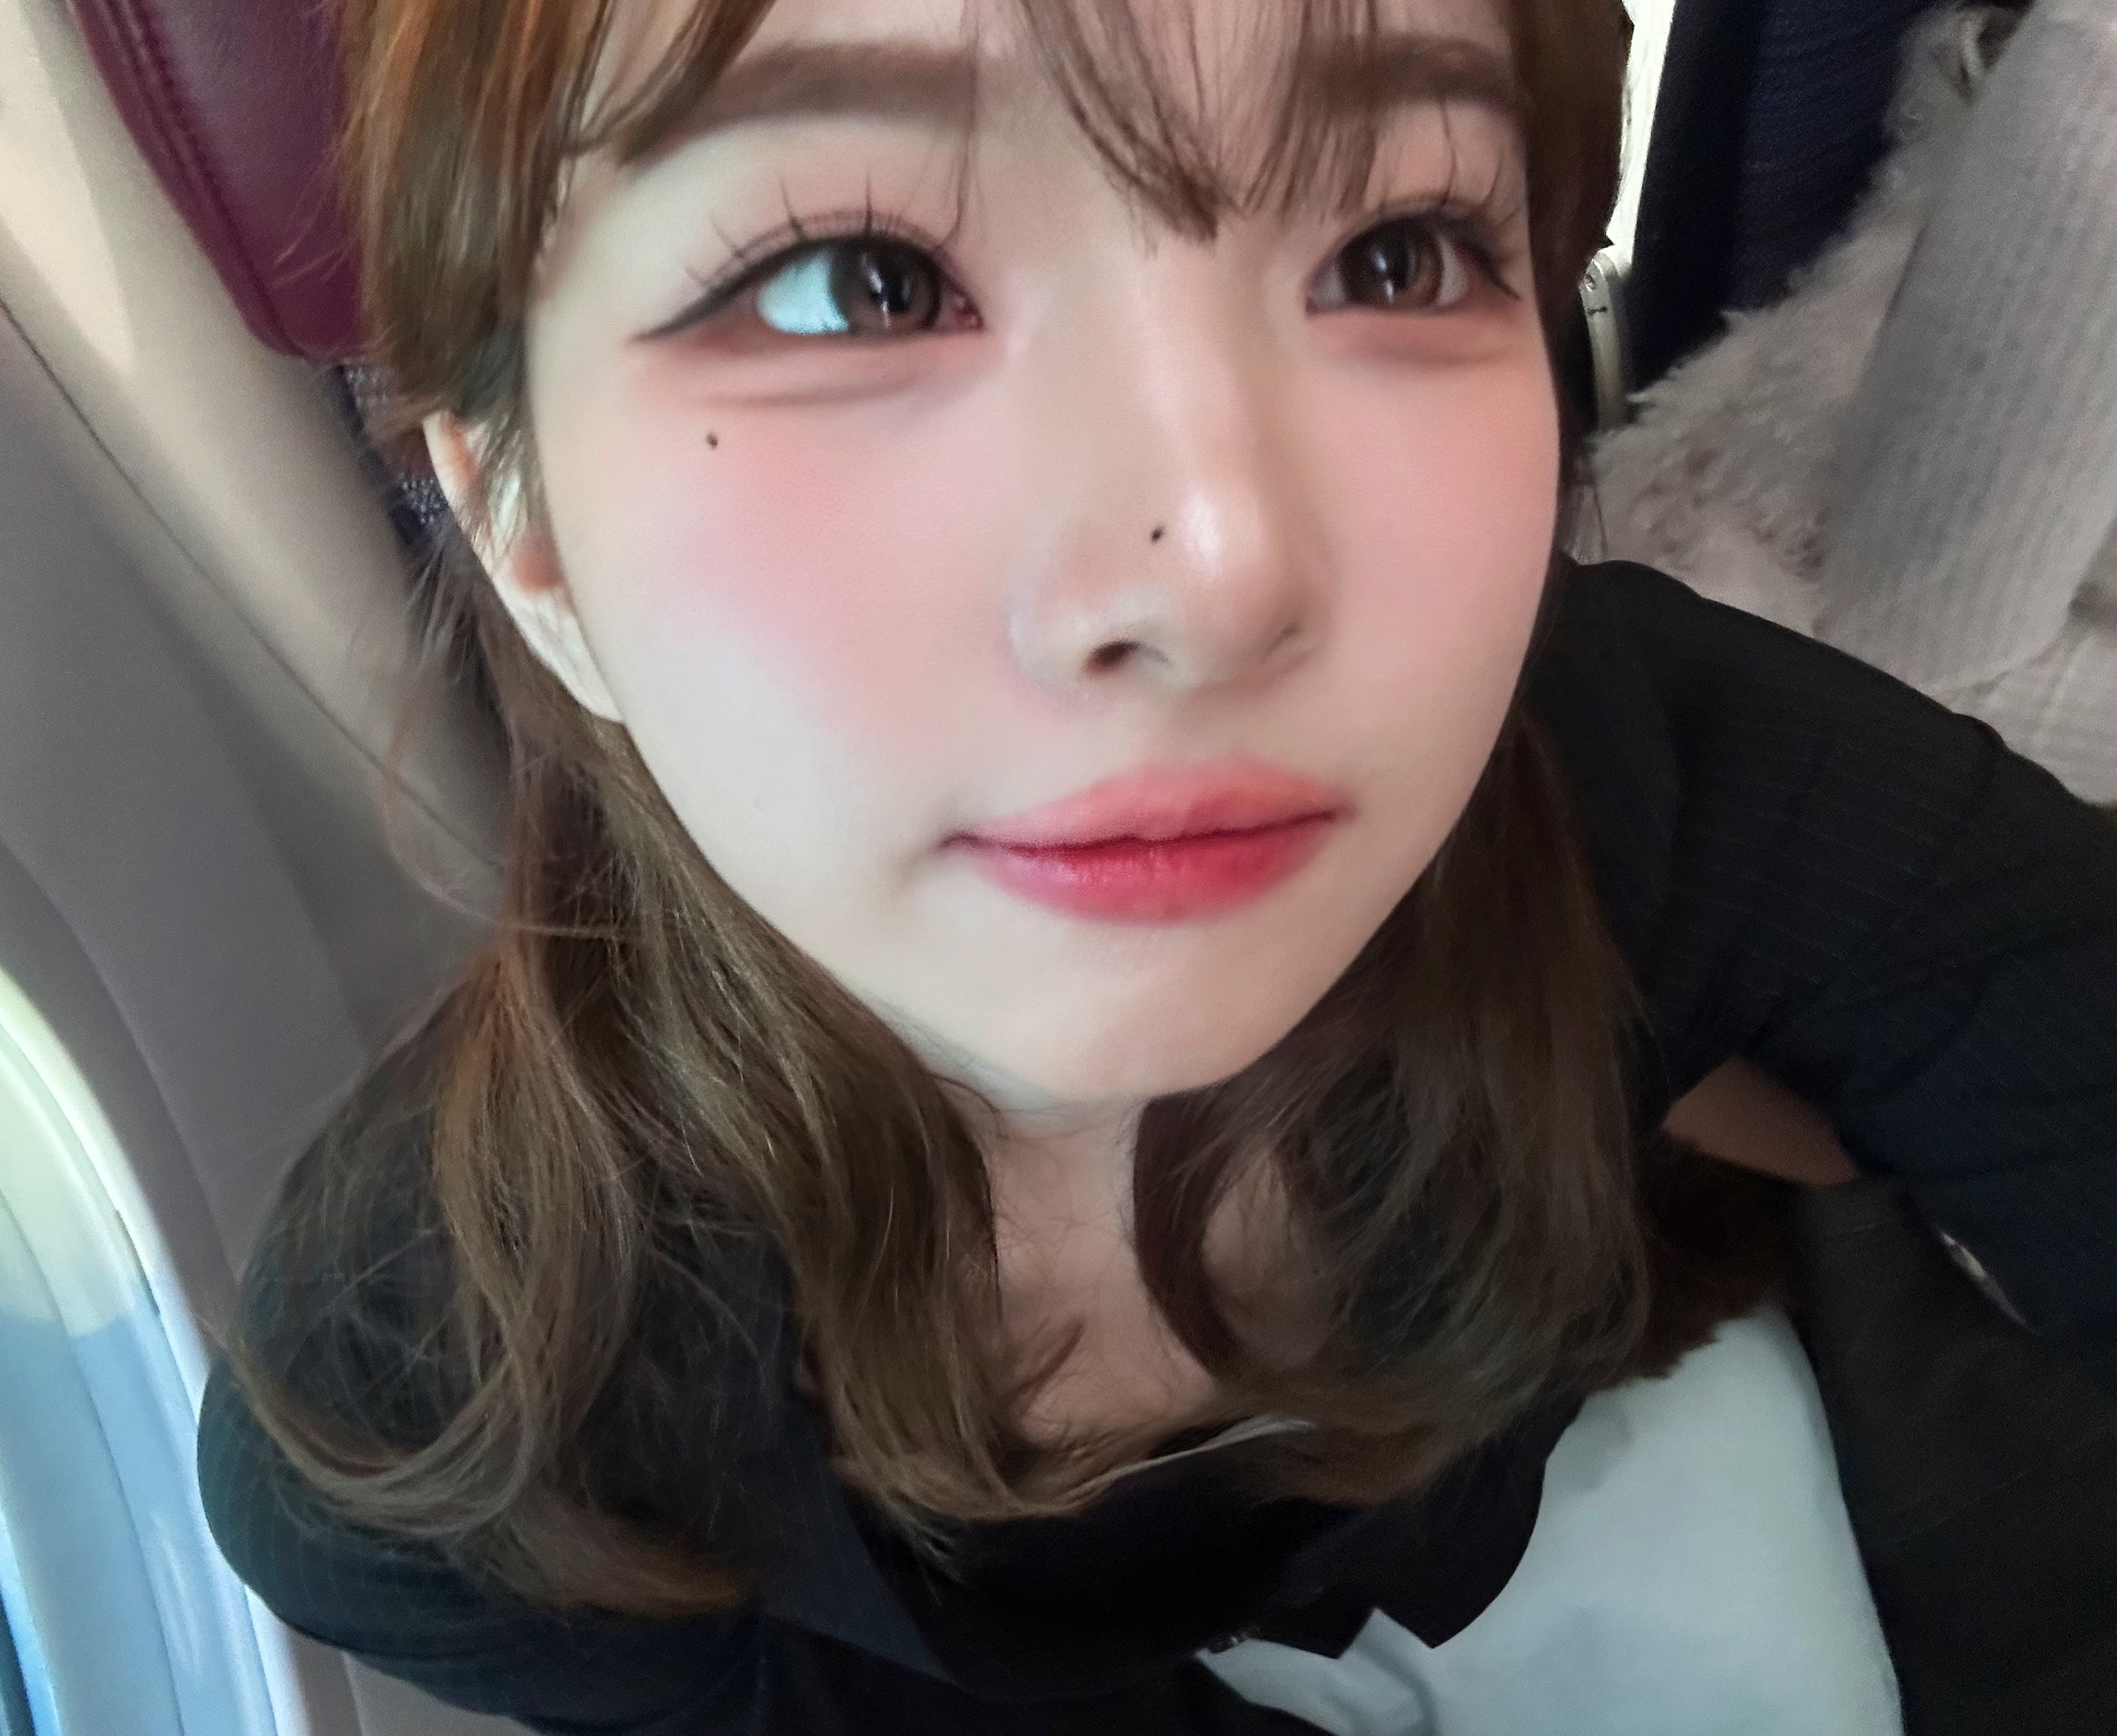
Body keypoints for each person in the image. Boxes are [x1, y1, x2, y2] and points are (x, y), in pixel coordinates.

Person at [196, 1, 2117, 1731]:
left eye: (1396, 251)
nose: (1222, 574)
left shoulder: (1650, 763)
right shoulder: (437, 1378)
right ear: (526, 530)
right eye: (860, 283)